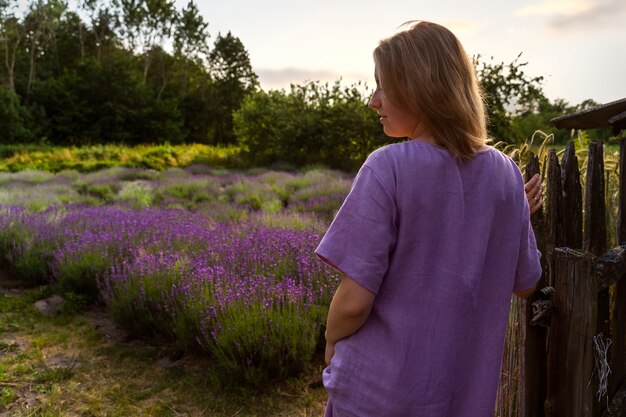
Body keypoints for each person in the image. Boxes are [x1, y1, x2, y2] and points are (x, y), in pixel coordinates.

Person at [315, 21, 542, 417]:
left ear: (419, 88)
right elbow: (526, 283)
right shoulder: (506, 175)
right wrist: (513, 213)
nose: (373, 100)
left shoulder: (387, 168)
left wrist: (331, 343)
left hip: (377, 398)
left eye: (382, 86)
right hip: (462, 402)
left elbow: (354, 302)